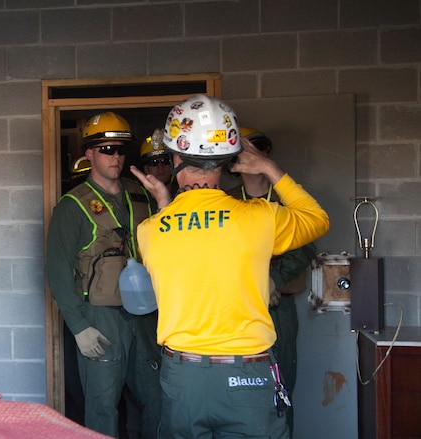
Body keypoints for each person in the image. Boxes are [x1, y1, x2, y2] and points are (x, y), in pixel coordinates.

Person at [131, 94, 329, 439]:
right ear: (227, 160)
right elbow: (317, 220)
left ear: (175, 158)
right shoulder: (259, 218)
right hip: (248, 377)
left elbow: (180, 247)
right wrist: (270, 168)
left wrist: (164, 205)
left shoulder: (150, 231)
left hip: (184, 377)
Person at [45, 111, 163, 438]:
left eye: (121, 150)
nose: (116, 156)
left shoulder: (140, 195)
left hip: (145, 313)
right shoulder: (73, 206)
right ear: (89, 154)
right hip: (101, 318)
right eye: (107, 149)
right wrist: (79, 327)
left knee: (154, 399)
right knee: (102, 405)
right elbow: (57, 270)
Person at [225, 127, 317, 436]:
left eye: (259, 150)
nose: (253, 157)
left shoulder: (287, 201)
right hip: (239, 312)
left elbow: (306, 246)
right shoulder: (227, 205)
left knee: (281, 389)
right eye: (245, 152)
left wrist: (273, 280)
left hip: (279, 309)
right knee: (239, 391)